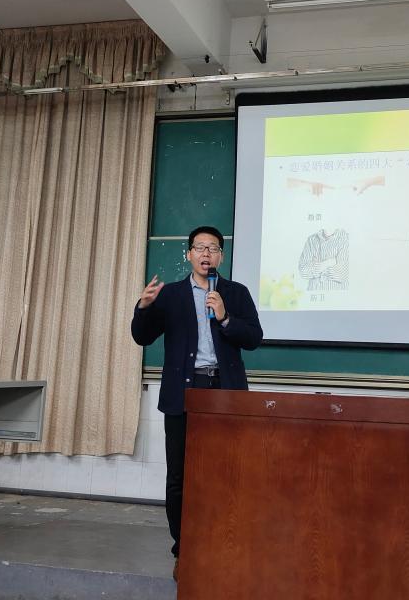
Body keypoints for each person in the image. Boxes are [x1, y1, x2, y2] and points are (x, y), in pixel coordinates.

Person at [131, 225, 262, 580]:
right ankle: (184, 548)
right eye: (200, 247)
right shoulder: (171, 295)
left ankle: (224, 543)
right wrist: (143, 308)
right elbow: (142, 336)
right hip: (183, 394)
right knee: (180, 476)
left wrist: (225, 317)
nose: (206, 253)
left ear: (221, 256)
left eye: (213, 248)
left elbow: (254, 337)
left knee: (227, 474)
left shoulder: (235, 293)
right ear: (188, 254)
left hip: (225, 392)